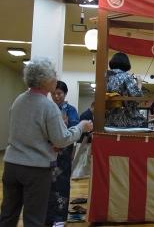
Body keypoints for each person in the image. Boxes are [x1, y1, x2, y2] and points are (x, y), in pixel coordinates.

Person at [0, 58, 93, 227]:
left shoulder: (19, 100)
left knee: (7, 216)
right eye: (54, 76)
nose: (56, 80)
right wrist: (81, 126)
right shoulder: (48, 107)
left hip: (11, 165)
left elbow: (26, 133)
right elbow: (62, 139)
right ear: (45, 81)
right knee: (34, 219)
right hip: (35, 170)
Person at [45, 81, 80, 226]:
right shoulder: (47, 108)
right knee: (47, 185)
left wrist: (65, 125)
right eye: (53, 93)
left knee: (62, 184)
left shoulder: (71, 109)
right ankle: (47, 217)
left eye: (59, 93)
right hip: (48, 153)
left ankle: (59, 218)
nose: (56, 96)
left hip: (64, 154)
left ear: (65, 94)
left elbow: (75, 129)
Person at [105, 52, 146, 127]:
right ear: (126, 63)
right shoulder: (125, 76)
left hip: (108, 119)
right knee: (144, 123)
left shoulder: (106, 77)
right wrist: (139, 83)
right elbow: (137, 98)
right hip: (125, 119)